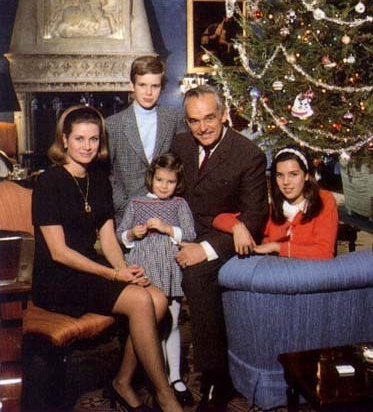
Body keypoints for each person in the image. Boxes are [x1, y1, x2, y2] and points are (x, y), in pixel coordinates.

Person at [31, 105, 183, 412]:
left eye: (94, 139)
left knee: (156, 299)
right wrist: (113, 275)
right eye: (79, 139)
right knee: (140, 301)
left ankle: (122, 381)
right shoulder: (48, 182)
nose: (87, 146)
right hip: (58, 278)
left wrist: (125, 269)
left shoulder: (98, 179)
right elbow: (59, 252)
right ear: (64, 140)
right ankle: (165, 395)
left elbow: (108, 236)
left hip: (90, 269)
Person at [171, 85, 268, 412]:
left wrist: (206, 249)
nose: (203, 127)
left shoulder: (248, 154)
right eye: (194, 121)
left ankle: (215, 379)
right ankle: (158, 372)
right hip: (180, 232)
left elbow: (254, 218)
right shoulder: (180, 144)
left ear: (224, 114)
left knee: (197, 275)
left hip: (221, 240)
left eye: (209, 118)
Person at [116, 153, 196, 406]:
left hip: (169, 269)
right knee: (152, 325)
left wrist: (166, 228)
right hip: (144, 270)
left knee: (171, 323)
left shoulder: (179, 204)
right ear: (151, 178)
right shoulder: (136, 203)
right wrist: (132, 233)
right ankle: (157, 377)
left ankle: (175, 377)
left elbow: (190, 234)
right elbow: (120, 235)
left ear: (178, 183)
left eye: (170, 182)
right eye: (159, 180)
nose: (164, 186)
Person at [214, 147, 338, 259]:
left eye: (293, 174)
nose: (286, 182)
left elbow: (325, 252)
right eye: (280, 175)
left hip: (309, 272)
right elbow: (219, 219)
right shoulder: (271, 206)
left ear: (306, 175)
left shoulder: (324, 200)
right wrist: (237, 227)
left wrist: (277, 247)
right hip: (274, 270)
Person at [106, 55, 182, 224]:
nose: (148, 92)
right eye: (142, 85)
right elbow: (106, 173)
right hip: (127, 214)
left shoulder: (173, 119)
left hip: (166, 213)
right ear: (132, 85)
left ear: (161, 87)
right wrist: (122, 204)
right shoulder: (113, 124)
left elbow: (181, 165)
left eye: (155, 86)